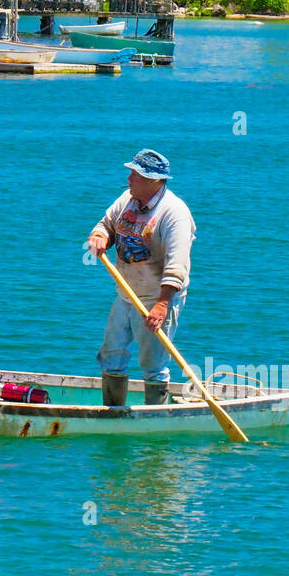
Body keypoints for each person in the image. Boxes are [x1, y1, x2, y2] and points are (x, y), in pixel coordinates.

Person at [85, 150, 196, 407]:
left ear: (152, 180)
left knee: (152, 363)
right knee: (111, 354)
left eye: (135, 174)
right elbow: (106, 224)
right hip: (126, 293)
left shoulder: (174, 214)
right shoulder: (128, 198)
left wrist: (162, 304)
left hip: (157, 298)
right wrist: (100, 237)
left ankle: (155, 415)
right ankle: (113, 411)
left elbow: (177, 265)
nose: (129, 178)